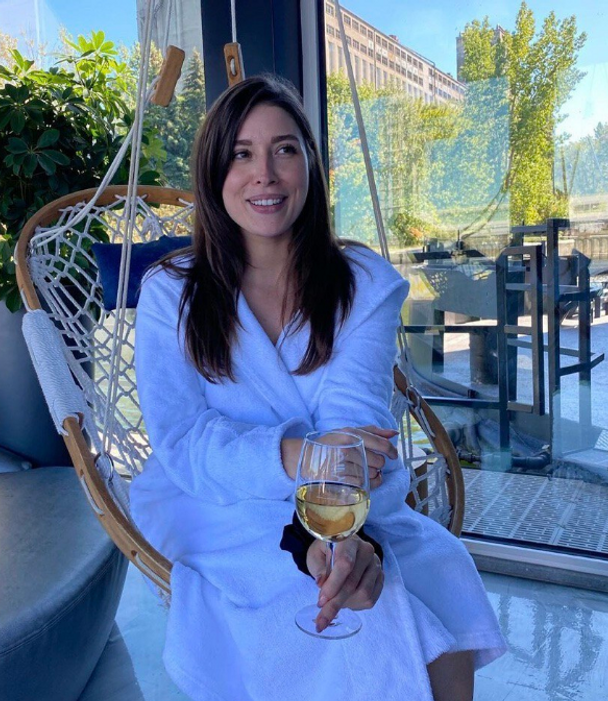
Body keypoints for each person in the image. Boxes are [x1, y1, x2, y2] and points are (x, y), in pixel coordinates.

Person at [131, 75, 505, 701]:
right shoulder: (172, 292)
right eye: (242, 153)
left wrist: (332, 534)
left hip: (346, 494)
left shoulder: (364, 283)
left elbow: (352, 420)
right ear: (213, 171)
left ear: (310, 164)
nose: (265, 174)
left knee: (433, 568)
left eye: (284, 149)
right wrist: (307, 459)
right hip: (218, 500)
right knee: (384, 618)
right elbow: (184, 438)